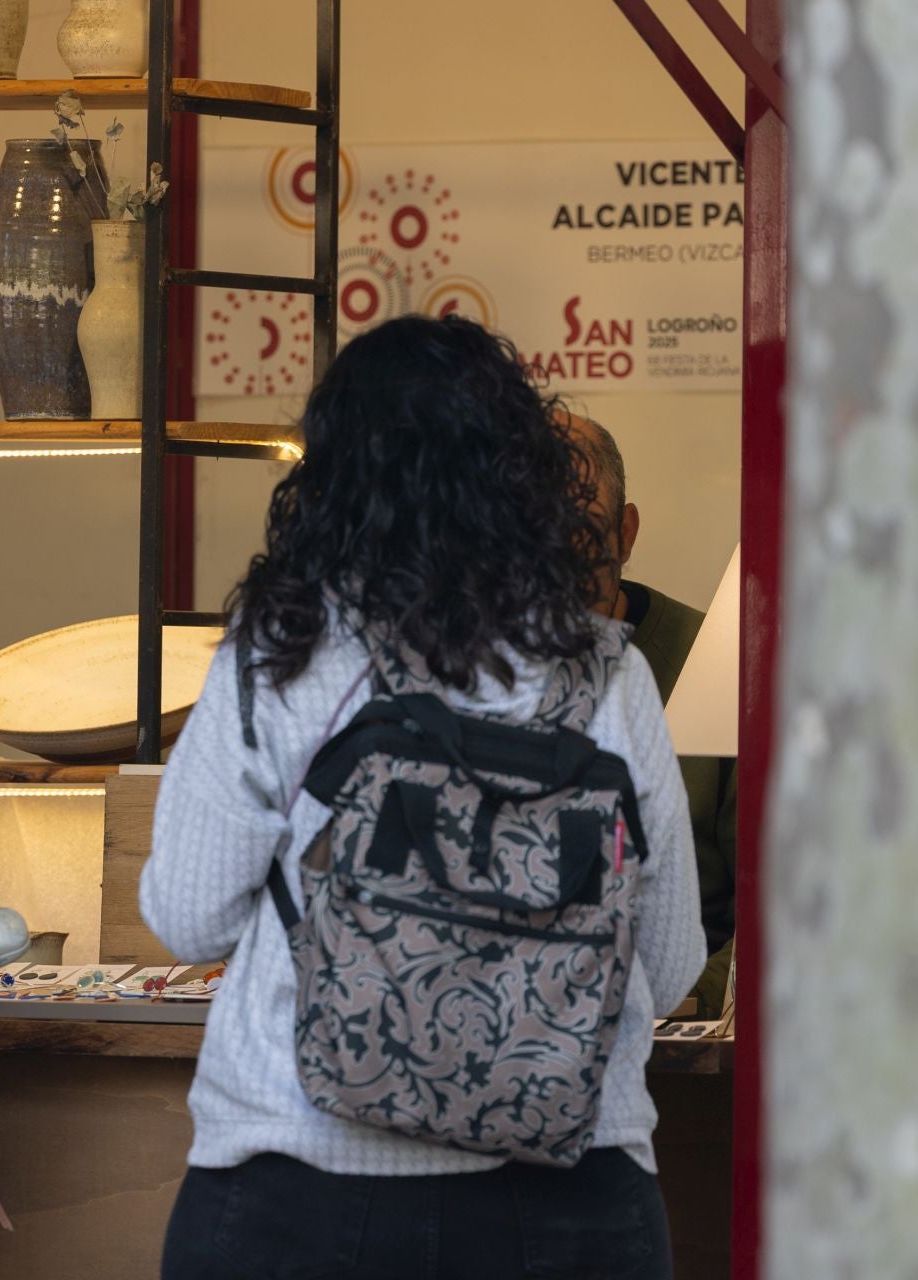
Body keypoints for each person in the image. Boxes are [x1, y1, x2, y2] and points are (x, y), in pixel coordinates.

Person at [141, 315, 706, 1280]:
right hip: (570, 1199)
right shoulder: (608, 670)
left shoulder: (282, 653)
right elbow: (671, 958)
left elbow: (188, 919)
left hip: (302, 1188)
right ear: (523, 474)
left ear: (329, 479)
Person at [569, 413, 738, 1017]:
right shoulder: (468, 674)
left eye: (579, 533)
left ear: (625, 532)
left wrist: (673, 1002)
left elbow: (777, 917)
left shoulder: (720, 666)